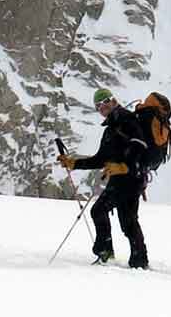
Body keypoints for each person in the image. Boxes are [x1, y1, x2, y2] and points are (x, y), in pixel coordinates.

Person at [60, 88, 150, 269]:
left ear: (113, 100)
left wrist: (125, 166)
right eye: (98, 106)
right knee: (128, 220)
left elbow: (139, 144)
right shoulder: (110, 130)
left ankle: (106, 253)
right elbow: (100, 159)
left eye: (104, 102)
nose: (102, 108)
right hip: (125, 179)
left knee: (100, 210)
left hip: (130, 177)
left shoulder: (126, 118)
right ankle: (139, 260)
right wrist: (73, 163)